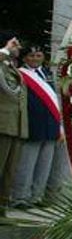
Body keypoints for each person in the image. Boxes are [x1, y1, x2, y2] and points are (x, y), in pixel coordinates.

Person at [11, 46, 60, 208]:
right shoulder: (19, 74)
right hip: (31, 123)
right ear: (25, 58)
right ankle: (20, 197)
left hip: (50, 124)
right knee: (26, 163)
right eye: (31, 55)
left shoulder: (47, 74)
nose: (35, 58)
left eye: (38, 55)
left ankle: (37, 196)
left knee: (45, 164)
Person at [0, 33, 26, 215]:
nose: (18, 47)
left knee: (9, 171)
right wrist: (5, 50)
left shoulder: (12, 67)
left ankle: (2, 208)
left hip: (15, 125)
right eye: (14, 44)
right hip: (2, 124)